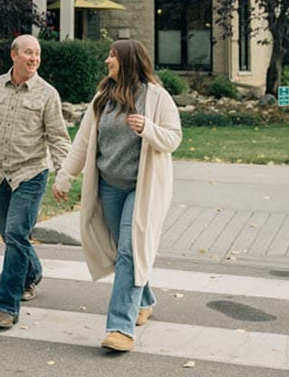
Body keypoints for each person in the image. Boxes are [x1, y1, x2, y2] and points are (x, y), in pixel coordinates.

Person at [53, 39, 182, 352]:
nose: (106, 60)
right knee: (125, 251)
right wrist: (65, 176)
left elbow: (174, 138)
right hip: (110, 186)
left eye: (111, 55)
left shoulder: (156, 97)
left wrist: (148, 128)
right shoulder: (103, 98)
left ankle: (120, 329)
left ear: (127, 60)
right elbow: (83, 142)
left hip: (142, 188)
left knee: (129, 250)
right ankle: (145, 300)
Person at [0, 33, 71, 329]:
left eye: (37, 54)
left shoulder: (47, 94)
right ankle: (32, 272)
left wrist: (63, 174)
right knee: (8, 232)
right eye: (28, 52)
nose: (34, 58)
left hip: (31, 173)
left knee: (16, 231)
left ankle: (6, 307)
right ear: (13, 55)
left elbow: (58, 138)